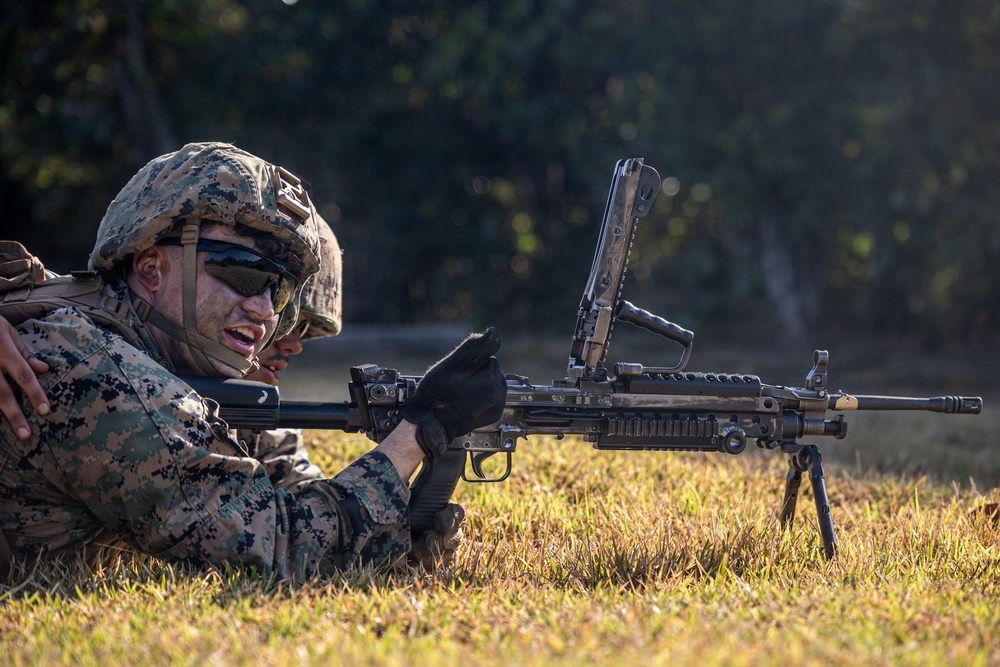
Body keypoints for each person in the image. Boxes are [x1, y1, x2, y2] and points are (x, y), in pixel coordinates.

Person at [0, 141, 506, 579]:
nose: (264, 310)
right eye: (242, 274)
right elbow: (279, 548)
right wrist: (415, 435)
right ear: (151, 268)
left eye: (279, 290)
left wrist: (394, 526)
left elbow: (293, 497)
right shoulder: (91, 367)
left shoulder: (183, 365)